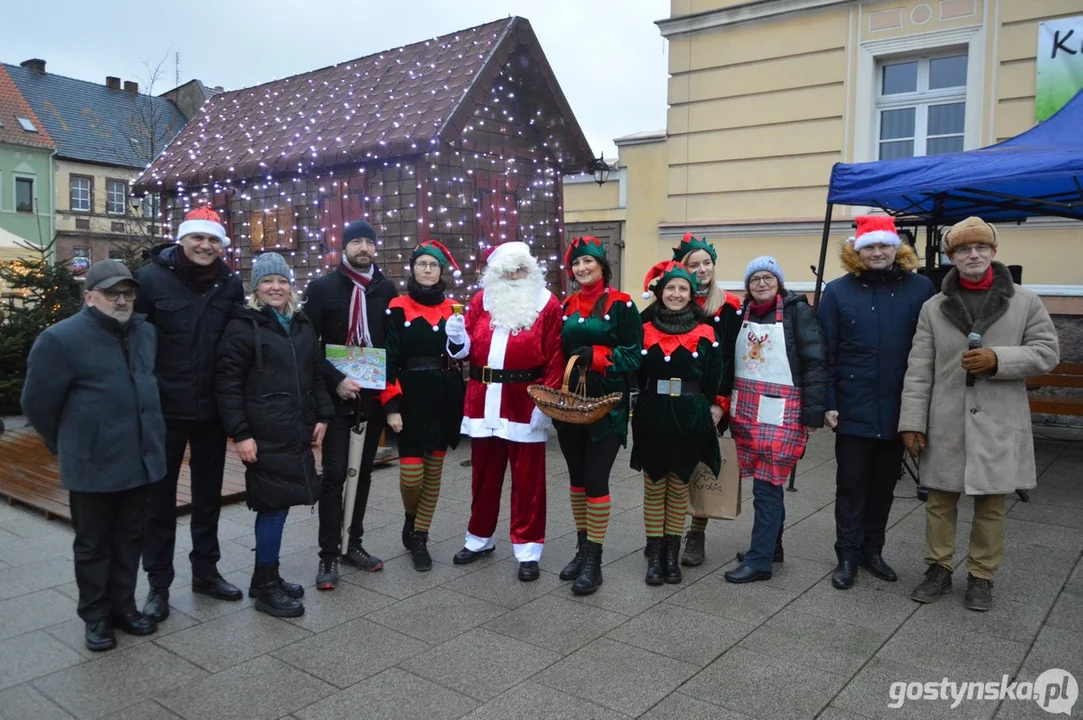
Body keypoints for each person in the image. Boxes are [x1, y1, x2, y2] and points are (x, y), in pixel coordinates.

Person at [900, 217, 1058, 612]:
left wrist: (998, 358)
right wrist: (912, 423)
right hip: (947, 418)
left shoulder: (1025, 301)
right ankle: (938, 567)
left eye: (981, 248)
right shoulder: (933, 308)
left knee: (991, 504)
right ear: (951, 257)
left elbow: (1047, 351)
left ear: (993, 251)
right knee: (939, 501)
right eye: (964, 249)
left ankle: (981, 575)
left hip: (1000, 421)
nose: (973, 255)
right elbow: (919, 369)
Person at [22, 260, 166, 651]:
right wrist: (69, 443)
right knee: (93, 544)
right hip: (93, 464)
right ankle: (96, 616)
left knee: (130, 538)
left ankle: (124, 606)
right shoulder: (60, 339)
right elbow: (37, 404)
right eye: (112, 294)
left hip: (139, 459)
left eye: (128, 293)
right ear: (89, 297)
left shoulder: (144, 333)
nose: (122, 301)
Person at [136, 207, 245, 622]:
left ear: (221, 245)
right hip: (165, 410)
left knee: (207, 498)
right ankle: (158, 585)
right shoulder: (150, 280)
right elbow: (136, 344)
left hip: (212, 409)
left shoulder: (229, 284)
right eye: (198, 238)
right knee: (159, 502)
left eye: (213, 240)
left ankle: (206, 572)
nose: (205, 246)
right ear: (182, 239)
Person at [818, 216, 936, 590]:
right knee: (851, 485)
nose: (878, 252)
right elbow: (825, 352)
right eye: (869, 246)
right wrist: (829, 401)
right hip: (853, 408)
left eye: (884, 245)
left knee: (884, 486)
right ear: (857, 251)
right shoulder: (838, 292)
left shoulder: (921, 289)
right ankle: (847, 555)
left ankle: (873, 550)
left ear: (896, 247)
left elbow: (930, 350)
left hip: (900, 407)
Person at [215, 253, 333, 617]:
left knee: (279, 504)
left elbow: (315, 373)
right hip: (263, 431)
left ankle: (264, 577)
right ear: (256, 288)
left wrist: (324, 414)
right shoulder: (242, 327)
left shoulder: (299, 324)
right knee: (273, 506)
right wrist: (241, 433)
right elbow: (228, 385)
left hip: (294, 427)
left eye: (281, 281)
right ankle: (267, 586)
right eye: (268, 281)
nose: (276, 288)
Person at [445, 241, 565, 582]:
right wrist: (455, 338)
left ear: (531, 270)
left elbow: (555, 356)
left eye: (520, 269)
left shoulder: (547, 303)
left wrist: (546, 403)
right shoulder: (481, 301)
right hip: (484, 399)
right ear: (496, 273)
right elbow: (465, 349)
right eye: (507, 270)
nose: (515, 275)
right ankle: (479, 539)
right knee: (483, 477)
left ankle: (528, 549)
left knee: (528, 481)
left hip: (525, 399)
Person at [304, 219, 399, 589]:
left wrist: (390, 398)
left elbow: (391, 343)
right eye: (356, 242)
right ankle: (328, 554)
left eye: (369, 242)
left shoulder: (386, 288)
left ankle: (352, 543)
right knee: (334, 475)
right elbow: (307, 343)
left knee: (363, 475)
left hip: (371, 398)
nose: (363, 248)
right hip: (334, 398)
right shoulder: (323, 288)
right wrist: (334, 380)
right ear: (343, 247)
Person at [724, 256, 825, 584]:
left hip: (783, 412)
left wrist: (813, 413)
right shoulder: (744, 313)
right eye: (755, 279)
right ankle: (772, 547)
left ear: (778, 282)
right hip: (748, 409)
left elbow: (815, 363)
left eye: (767, 277)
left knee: (767, 485)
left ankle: (759, 560)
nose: (761, 284)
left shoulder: (798, 312)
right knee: (766, 483)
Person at [555, 237, 643, 595]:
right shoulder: (566, 304)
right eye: (576, 264)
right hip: (571, 402)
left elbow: (635, 355)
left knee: (595, 478)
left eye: (588, 262)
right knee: (576, 479)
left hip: (608, 404)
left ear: (603, 267)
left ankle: (595, 558)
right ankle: (581, 547)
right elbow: (558, 353)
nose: (581, 269)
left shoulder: (623, 305)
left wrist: (600, 356)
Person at [631, 261, 723, 586]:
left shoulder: (707, 332)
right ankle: (655, 556)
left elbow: (715, 375)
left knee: (679, 486)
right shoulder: (643, 329)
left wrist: (714, 406)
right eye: (670, 287)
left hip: (689, 415)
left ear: (691, 294)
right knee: (655, 485)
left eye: (682, 288)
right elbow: (634, 371)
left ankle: (673, 554)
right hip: (652, 414)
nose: (676, 293)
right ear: (660, 292)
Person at [380, 240, 466, 572]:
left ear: (441, 271)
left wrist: (461, 340)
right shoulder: (396, 306)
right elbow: (388, 357)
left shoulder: (456, 308)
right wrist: (391, 404)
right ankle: (410, 516)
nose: (427, 270)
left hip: (445, 395)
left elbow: (464, 353)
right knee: (412, 475)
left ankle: (419, 536)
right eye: (421, 264)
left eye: (433, 265)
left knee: (434, 472)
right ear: (413, 269)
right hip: (411, 396)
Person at [667, 232, 742, 567]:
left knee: (701, 468)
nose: (701, 270)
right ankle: (665, 533)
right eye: (693, 264)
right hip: (672, 401)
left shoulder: (728, 308)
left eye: (706, 263)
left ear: (714, 265)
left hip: (710, 402)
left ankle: (696, 533)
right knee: (668, 468)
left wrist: (720, 403)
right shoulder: (672, 299)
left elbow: (730, 359)